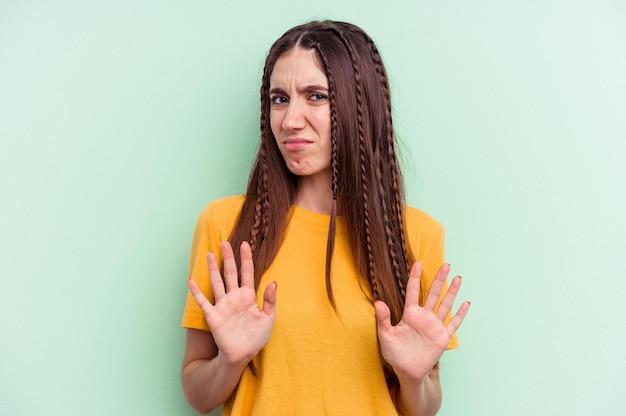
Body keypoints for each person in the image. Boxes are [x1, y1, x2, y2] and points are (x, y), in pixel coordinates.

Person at [180, 20, 470, 416]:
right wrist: (229, 361)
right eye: (278, 99)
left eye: (315, 96)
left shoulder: (415, 235)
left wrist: (413, 377)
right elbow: (198, 396)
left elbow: (423, 408)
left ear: (358, 104)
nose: (289, 120)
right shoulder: (226, 224)